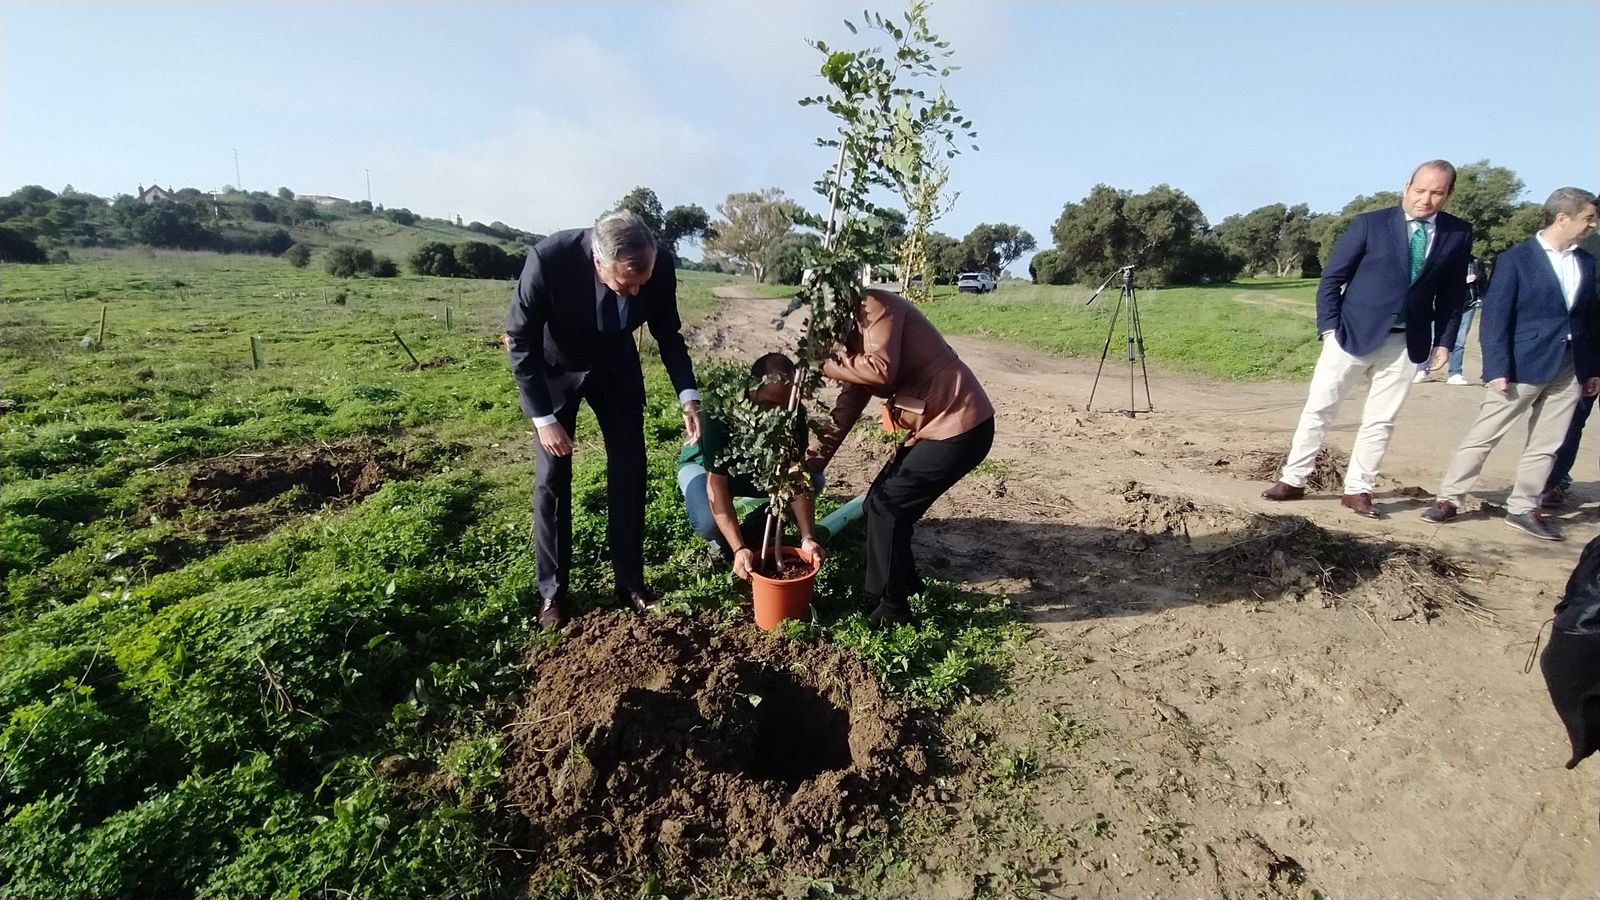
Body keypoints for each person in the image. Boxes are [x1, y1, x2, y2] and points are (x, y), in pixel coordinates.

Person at [505, 210, 701, 628]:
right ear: (598, 261)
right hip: (556, 372)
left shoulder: (659, 265)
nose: (633, 294)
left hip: (617, 372)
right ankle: (552, 594)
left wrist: (688, 396)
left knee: (630, 471)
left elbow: (668, 333)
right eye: (623, 283)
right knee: (553, 479)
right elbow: (520, 341)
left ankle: (630, 582)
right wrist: (543, 418)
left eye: (640, 285)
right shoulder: (548, 260)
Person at [1261, 160, 1473, 518]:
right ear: (1407, 186)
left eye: (1436, 193)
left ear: (1448, 194)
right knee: (1320, 408)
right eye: (1420, 190)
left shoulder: (1458, 233)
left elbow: (1453, 296)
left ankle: (1358, 489)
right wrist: (1330, 329)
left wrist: (1445, 342)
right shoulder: (1370, 224)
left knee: (1381, 419)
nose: (1426, 199)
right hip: (1351, 335)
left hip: (1408, 341)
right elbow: (1332, 279)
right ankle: (1294, 479)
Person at [806, 288, 994, 628]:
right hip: (937, 426)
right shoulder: (851, 333)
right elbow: (848, 404)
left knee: (888, 507)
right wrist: (813, 461)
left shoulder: (876, 306)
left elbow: (880, 371)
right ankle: (904, 586)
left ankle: (892, 609)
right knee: (879, 502)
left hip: (961, 426)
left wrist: (824, 364)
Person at [1419, 189, 1599, 541]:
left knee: (1547, 443)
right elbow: (1495, 318)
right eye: (1588, 218)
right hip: (1520, 366)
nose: (1592, 225)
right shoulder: (1516, 259)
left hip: (1570, 367)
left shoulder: (1586, 261)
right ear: (1563, 218)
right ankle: (1449, 499)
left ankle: (1523, 507)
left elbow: (1589, 319)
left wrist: (1593, 369)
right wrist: (1497, 368)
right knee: (1484, 435)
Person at [676, 353, 825, 579]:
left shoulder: (794, 413)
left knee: (814, 480)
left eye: (783, 406)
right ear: (753, 388)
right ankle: (726, 546)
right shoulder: (721, 412)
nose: (777, 413)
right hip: (703, 468)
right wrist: (739, 548)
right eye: (769, 403)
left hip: (754, 470)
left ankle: (763, 520)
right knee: (707, 522)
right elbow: (715, 484)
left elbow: (795, 473)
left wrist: (808, 537)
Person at [1540, 218, 1600, 509]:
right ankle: (1553, 479)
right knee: (1572, 416)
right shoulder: (1584, 250)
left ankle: (1554, 479)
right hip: (1587, 347)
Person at [1415, 256, 1487, 384]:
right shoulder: (1446, 259)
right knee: (1432, 339)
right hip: (1445, 306)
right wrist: (1462, 281)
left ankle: (1455, 373)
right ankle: (1422, 369)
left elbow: (1483, 283)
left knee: (1459, 341)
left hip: (1468, 305)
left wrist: (1478, 282)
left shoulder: (1475, 262)